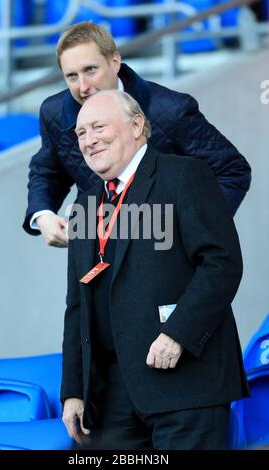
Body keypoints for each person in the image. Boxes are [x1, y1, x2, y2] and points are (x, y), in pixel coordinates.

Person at [61, 90, 249, 450]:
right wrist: (73, 390)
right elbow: (77, 304)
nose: (88, 140)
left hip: (185, 386)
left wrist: (178, 333)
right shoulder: (84, 203)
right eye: (81, 133)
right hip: (112, 397)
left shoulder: (184, 174)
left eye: (98, 126)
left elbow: (221, 263)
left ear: (136, 126)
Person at [23, 22, 251, 247]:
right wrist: (42, 215)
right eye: (72, 76)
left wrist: (194, 229)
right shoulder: (53, 112)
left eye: (90, 70)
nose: (83, 87)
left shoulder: (172, 110)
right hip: (96, 256)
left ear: (114, 62)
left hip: (168, 258)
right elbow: (47, 172)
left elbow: (231, 169)